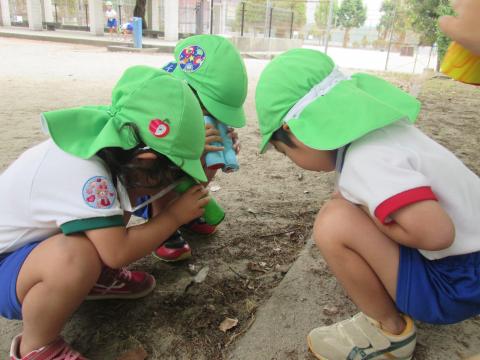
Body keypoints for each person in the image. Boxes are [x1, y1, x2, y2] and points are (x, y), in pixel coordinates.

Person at [255, 49, 480, 360]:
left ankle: (388, 332)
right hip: (469, 267)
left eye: (283, 152)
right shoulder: (386, 133)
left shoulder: (366, 160)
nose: (292, 160)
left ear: (294, 130)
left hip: (457, 285)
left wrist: (367, 213)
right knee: (350, 209)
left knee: (335, 222)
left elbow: (437, 234)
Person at [1, 66, 210, 359]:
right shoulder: (88, 177)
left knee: (111, 211)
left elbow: (122, 208)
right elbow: (117, 251)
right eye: (170, 176)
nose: (169, 186)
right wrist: (173, 217)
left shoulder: (107, 146)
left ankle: (94, 279)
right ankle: (37, 347)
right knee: (75, 256)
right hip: (4, 267)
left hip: (25, 255)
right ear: (147, 160)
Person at [143, 34, 247, 262]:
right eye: (209, 109)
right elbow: (150, 155)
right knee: (164, 165)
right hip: (145, 180)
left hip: (178, 171)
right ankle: (161, 222)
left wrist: (226, 142)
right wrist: (190, 145)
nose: (212, 117)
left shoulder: (195, 103)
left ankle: (185, 211)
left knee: (210, 152)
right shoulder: (157, 97)